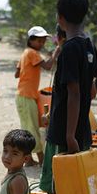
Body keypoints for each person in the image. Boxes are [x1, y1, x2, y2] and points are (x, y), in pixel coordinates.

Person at [40, 0, 97, 194]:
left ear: (60, 17)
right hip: (82, 130)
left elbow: (75, 92)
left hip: (65, 132)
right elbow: (90, 89)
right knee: (82, 188)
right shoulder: (89, 45)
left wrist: (67, 133)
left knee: (56, 189)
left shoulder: (68, 50)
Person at [15, 26, 59, 166]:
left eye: (43, 41)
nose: (41, 43)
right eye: (39, 41)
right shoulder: (32, 53)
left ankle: (29, 160)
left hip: (24, 95)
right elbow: (47, 66)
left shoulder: (26, 53)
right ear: (31, 40)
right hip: (26, 96)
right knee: (32, 129)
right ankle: (41, 160)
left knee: (28, 127)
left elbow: (17, 73)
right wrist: (56, 53)